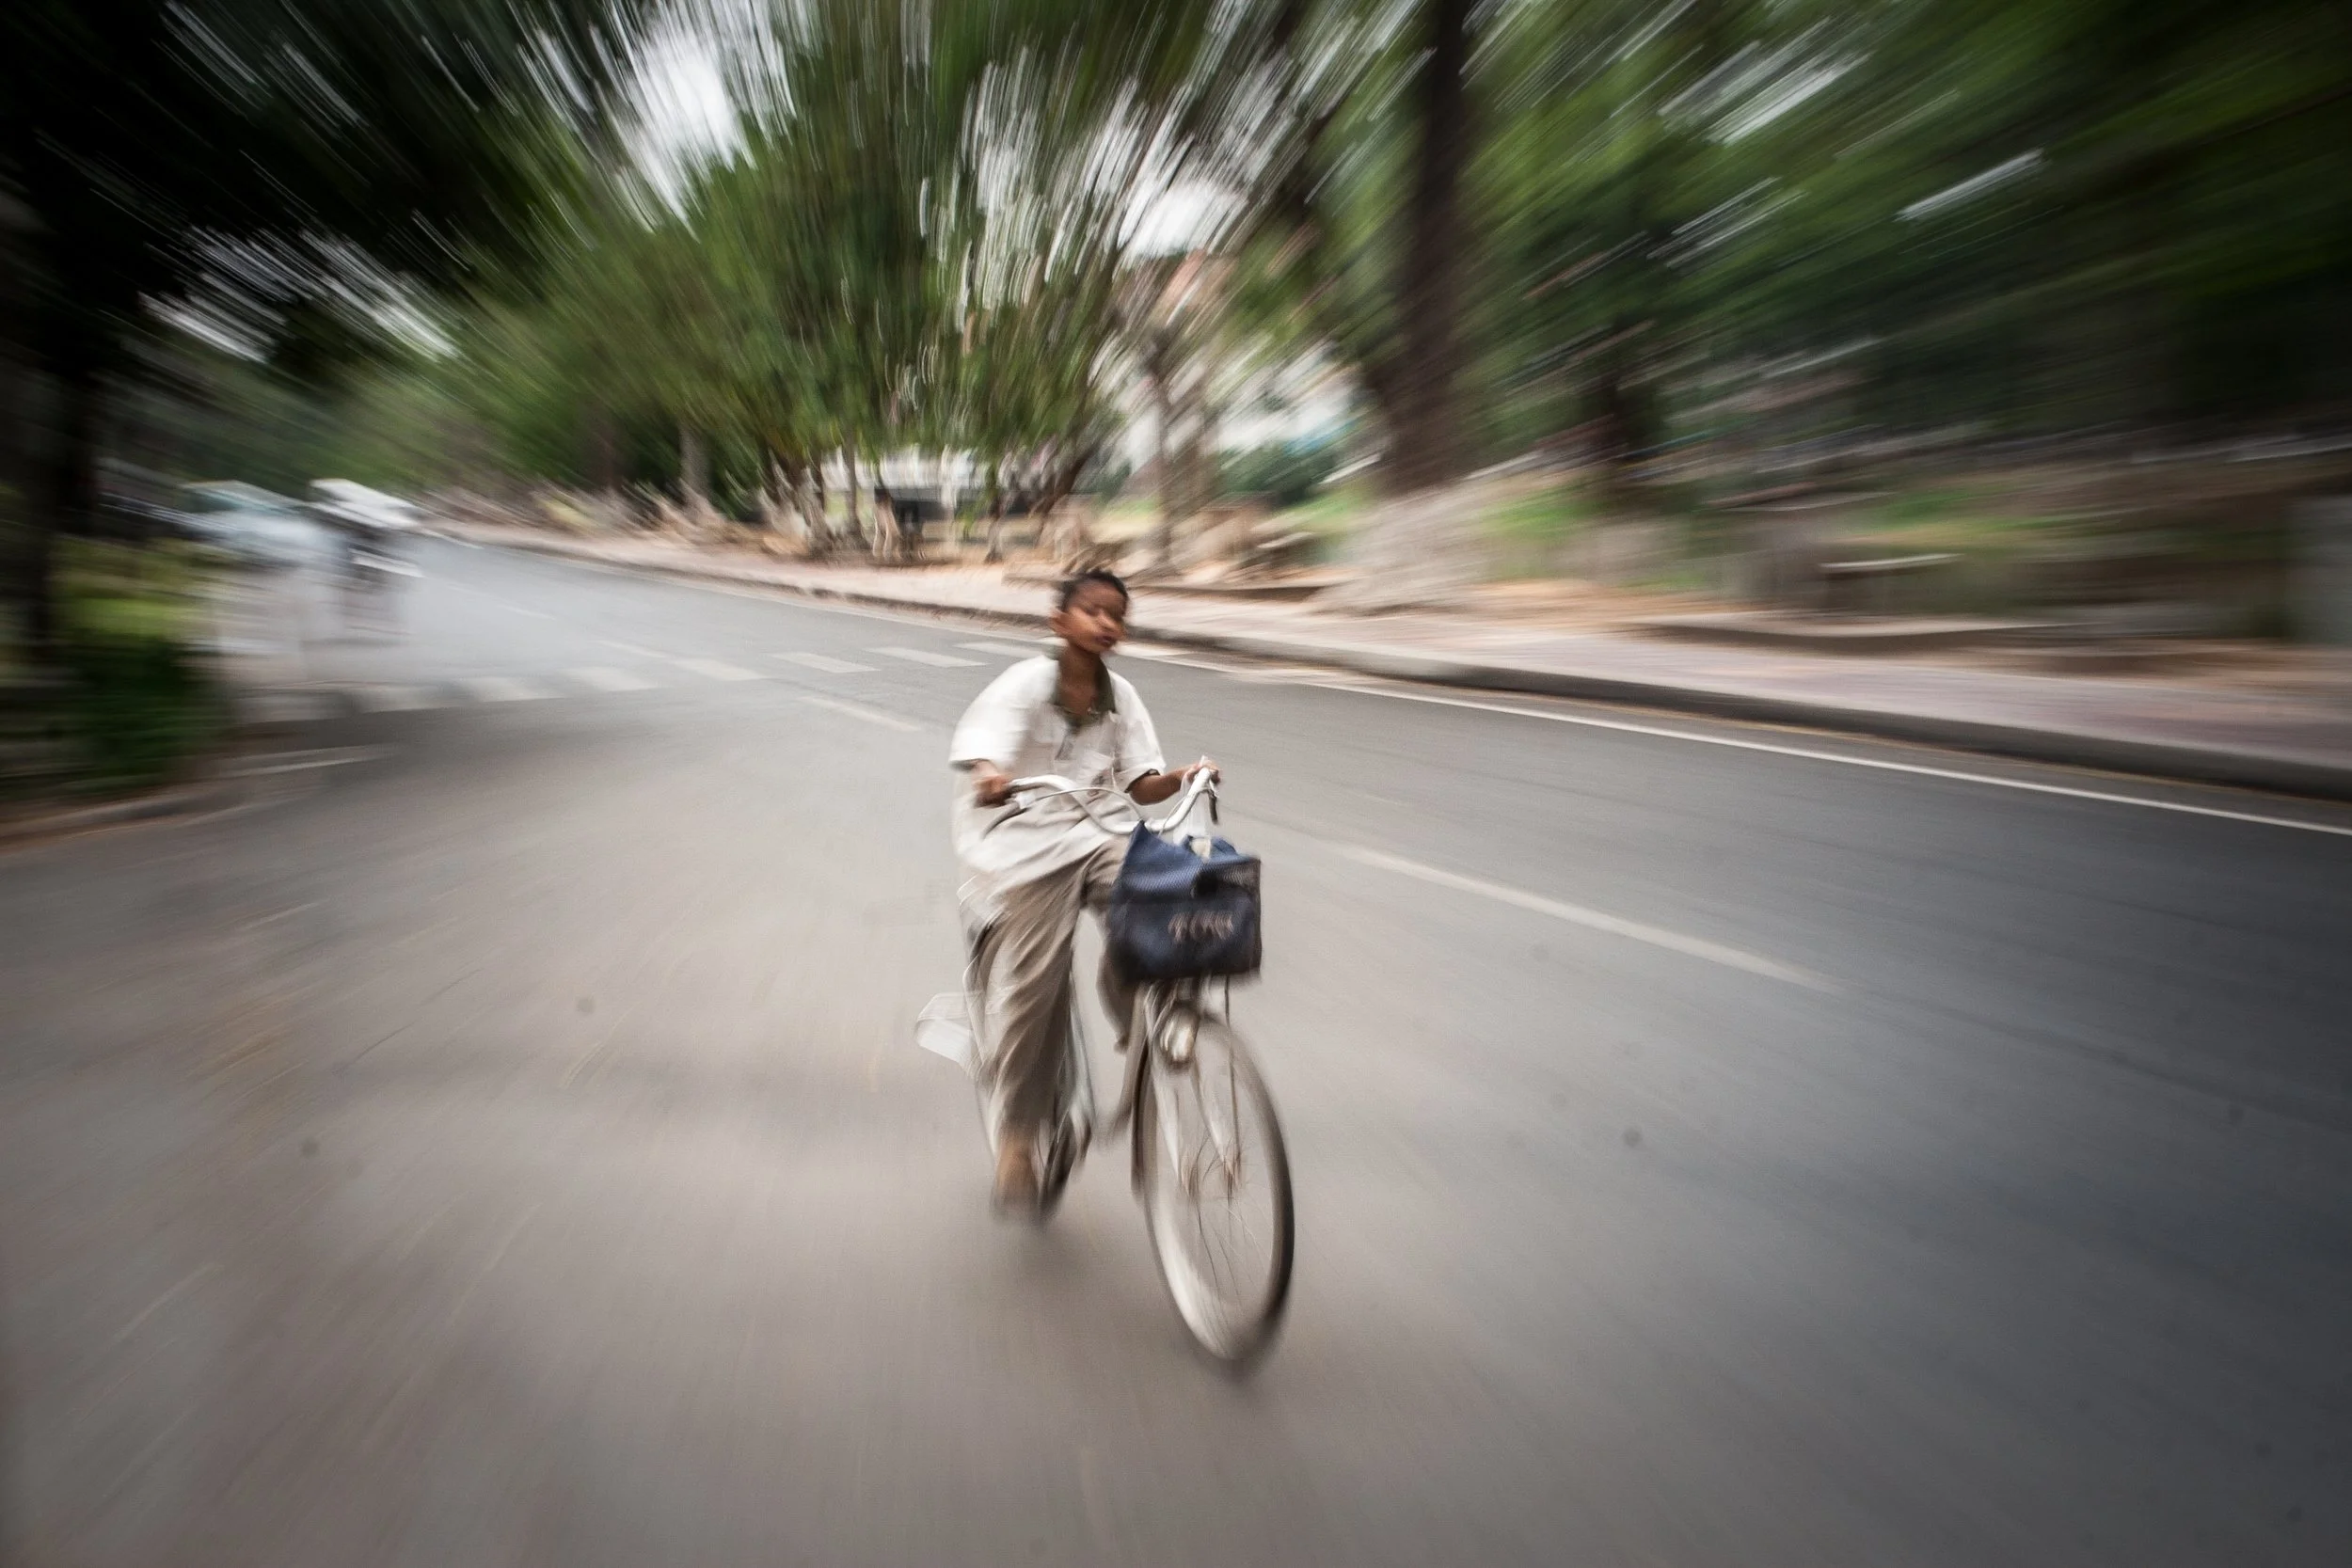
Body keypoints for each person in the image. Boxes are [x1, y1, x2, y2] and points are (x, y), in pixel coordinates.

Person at [948, 569, 1216, 1212]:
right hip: (1024, 841)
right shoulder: (1023, 684)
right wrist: (991, 774)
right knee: (1033, 991)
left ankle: (1141, 1020)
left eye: (1116, 614)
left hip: (1098, 829)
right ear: (1059, 618)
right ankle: (1015, 1139)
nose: (1105, 622)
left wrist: (1182, 776)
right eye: (1092, 609)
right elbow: (983, 747)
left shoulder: (1121, 696)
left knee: (1158, 899)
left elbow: (1140, 782)